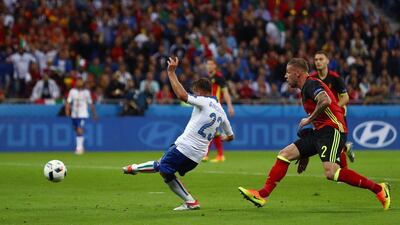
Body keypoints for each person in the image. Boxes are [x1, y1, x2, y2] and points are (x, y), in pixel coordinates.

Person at [238, 58, 390, 210]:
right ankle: (262, 195)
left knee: (332, 172)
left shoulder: (312, 83)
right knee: (285, 154)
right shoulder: (305, 89)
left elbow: (325, 100)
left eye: (288, 72)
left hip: (333, 129)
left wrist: (309, 119)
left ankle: (379, 189)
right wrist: (304, 154)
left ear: (297, 73)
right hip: (320, 131)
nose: (285, 76)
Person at [123, 57, 234, 210]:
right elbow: (231, 136)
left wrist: (171, 73)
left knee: (162, 166)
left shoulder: (203, 100)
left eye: (195, 92)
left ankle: (133, 168)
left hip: (185, 147)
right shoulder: (221, 111)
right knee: (167, 173)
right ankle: (190, 202)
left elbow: (182, 95)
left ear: (201, 91)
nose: (194, 95)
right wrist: (220, 136)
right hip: (197, 157)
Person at [312, 50, 355, 169]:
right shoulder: (313, 79)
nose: (318, 62)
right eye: (316, 60)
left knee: (337, 146)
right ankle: (346, 148)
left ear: (327, 61)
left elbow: (346, 97)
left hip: (338, 115)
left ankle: (344, 170)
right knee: (333, 145)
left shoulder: (335, 78)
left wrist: (334, 107)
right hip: (323, 116)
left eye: (321, 59)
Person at [203, 58, 235, 162]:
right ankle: (217, 155)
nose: (209, 66)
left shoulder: (219, 78)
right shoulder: (207, 78)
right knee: (213, 131)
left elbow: (225, 93)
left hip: (216, 107)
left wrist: (230, 105)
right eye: (207, 64)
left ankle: (212, 155)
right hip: (208, 107)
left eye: (211, 64)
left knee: (212, 130)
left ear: (215, 66)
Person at [65, 77, 97, 155]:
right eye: (78, 81)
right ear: (76, 83)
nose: (79, 83)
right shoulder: (72, 91)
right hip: (74, 114)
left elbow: (90, 103)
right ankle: (81, 147)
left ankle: (79, 148)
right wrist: (67, 110)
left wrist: (94, 114)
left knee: (79, 129)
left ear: (83, 83)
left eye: (81, 81)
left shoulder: (86, 92)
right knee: (76, 130)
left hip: (83, 114)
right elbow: (68, 101)